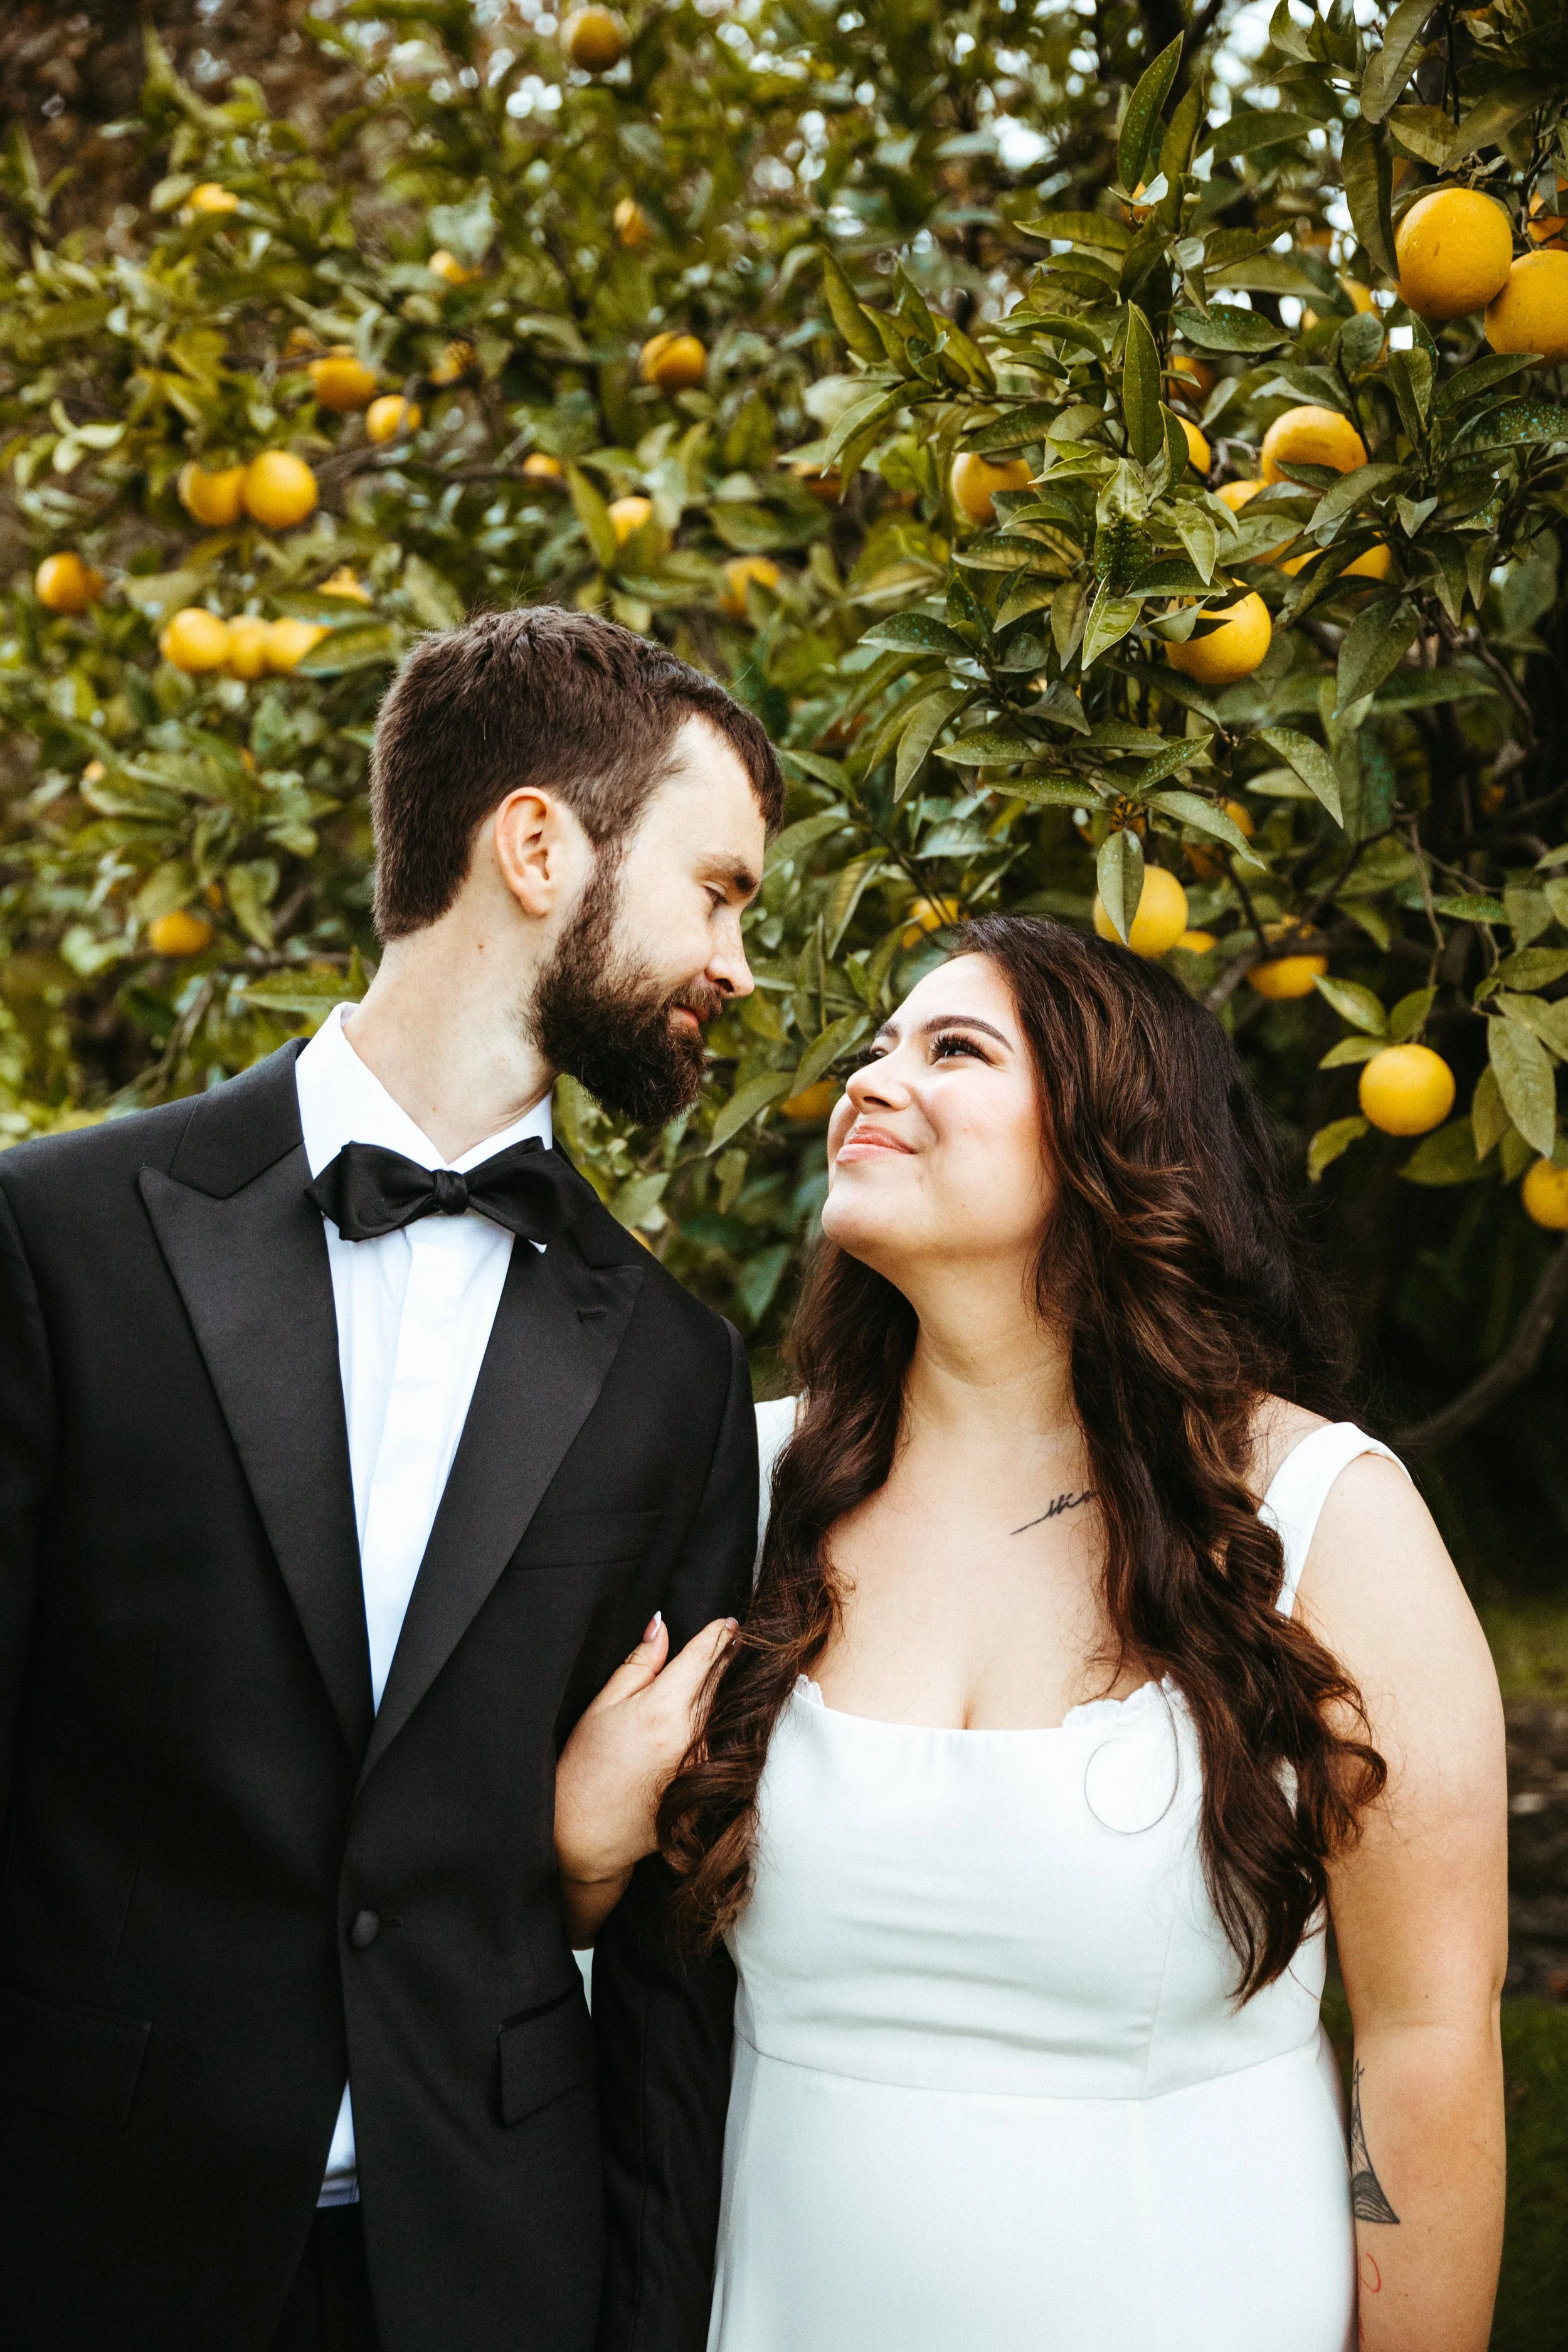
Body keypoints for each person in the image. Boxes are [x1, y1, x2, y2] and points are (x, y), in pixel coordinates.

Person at [555, 913, 1510, 2352]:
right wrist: (573, 1859)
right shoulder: (737, 1494)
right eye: (876, 1047)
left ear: (1112, 1135)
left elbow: (1425, 2046)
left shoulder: (1320, 1516)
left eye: (953, 1049)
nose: (872, 1081)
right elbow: (553, 1972)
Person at [0, 607, 779, 2352]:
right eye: (717, 889)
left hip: (483, 2265)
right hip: (87, 2237)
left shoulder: (675, 1366)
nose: (737, 960)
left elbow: (672, 1946)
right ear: (534, 843)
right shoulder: (56, 1238)